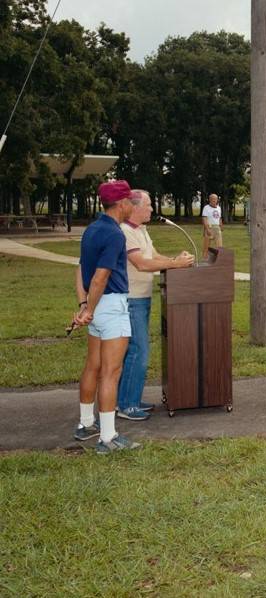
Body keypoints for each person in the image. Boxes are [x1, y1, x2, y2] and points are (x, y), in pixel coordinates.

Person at [72, 180, 139, 453]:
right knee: (111, 372)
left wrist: (85, 305)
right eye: (130, 202)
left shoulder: (91, 230)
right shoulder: (114, 234)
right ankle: (107, 438)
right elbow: (100, 277)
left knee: (93, 366)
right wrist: (89, 308)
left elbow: (79, 270)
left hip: (97, 305)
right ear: (121, 204)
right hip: (110, 307)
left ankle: (86, 423)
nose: (131, 207)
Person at [117, 190, 195, 420]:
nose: (152, 209)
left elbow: (154, 255)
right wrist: (176, 264)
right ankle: (126, 406)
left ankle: (130, 399)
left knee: (136, 350)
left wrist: (175, 261)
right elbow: (141, 264)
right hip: (132, 299)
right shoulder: (124, 232)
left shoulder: (141, 229)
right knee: (137, 351)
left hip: (142, 297)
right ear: (134, 207)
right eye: (149, 205)